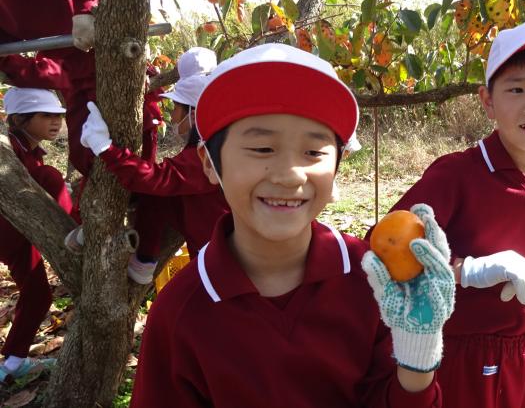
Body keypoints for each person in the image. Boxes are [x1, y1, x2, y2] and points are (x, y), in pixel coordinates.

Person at [129, 43, 455, 407]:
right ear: (209, 162)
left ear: (338, 163)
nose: (289, 175)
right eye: (262, 149)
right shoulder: (181, 312)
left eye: (313, 152)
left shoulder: (373, 280)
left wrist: (418, 356)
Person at [379, 20, 525, 408]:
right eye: (516, 89)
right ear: (488, 100)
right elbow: (385, 250)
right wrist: (468, 271)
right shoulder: (457, 175)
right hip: (460, 356)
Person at [80, 73, 228, 284]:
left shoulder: (205, 157)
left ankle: (144, 260)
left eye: (176, 109)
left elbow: (155, 178)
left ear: (194, 114)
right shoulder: (209, 150)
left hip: (224, 263)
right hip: (214, 256)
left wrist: (105, 148)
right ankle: (144, 259)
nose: (173, 117)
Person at [0, 88, 73, 381]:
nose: (56, 122)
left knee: (39, 294)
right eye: (46, 115)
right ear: (19, 119)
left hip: (21, 231)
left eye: (58, 115)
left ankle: (13, 362)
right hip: (11, 231)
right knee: (50, 177)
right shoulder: (9, 150)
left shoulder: (30, 149)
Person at [0, 0, 98, 176]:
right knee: (85, 155)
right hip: (68, 61)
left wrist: (84, 8)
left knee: (113, 145)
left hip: (93, 48)